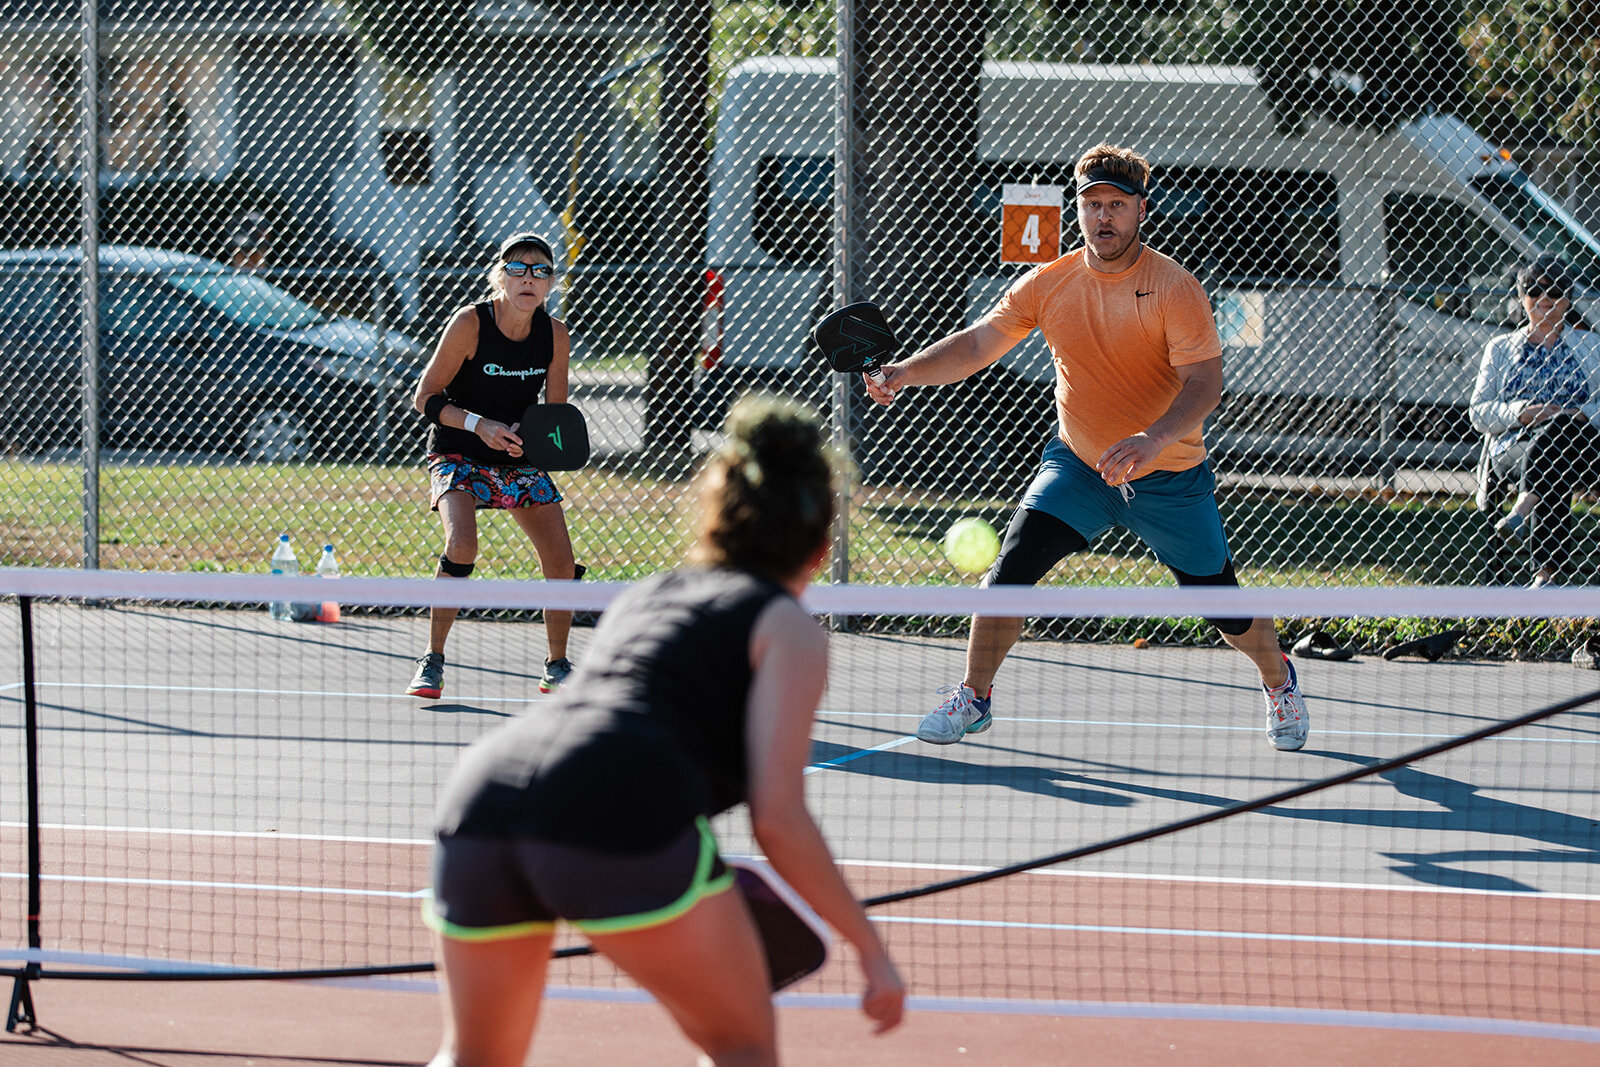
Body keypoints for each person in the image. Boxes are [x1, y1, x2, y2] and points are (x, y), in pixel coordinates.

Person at [423, 396, 904, 1067]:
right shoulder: (789, 628)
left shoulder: (649, 592)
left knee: (474, 1057)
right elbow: (779, 815)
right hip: (617, 811)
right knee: (741, 1047)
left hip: (482, 794)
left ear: (716, 516)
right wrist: (870, 946)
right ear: (823, 547)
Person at [864, 143, 1309, 752]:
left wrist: (1153, 440)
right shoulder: (1049, 284)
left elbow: (1206, 384)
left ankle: (1279, 678)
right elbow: (977, 345)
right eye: (1092, 204)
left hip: (1169, 475)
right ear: (1078, 210)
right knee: (1009, 575)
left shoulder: (1175, 288)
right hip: (1077, 466)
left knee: (1223, 607)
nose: (1104, 217)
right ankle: (975, 696)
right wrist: (904, 372)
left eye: (1117, 206)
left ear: (1141, 212)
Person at [409, 233, 579, 699]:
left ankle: (556, 666)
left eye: (541, 270)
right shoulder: (470, 322)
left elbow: (554, 417)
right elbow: (424, 397)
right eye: (519, 268)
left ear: (549, 284)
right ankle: (432, 660)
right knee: (462, 545)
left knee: (562, 564)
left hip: (513, 456)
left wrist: (534, 443)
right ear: (500, 276)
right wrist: (479, 425)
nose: (529, 278)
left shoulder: (555, 334)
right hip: (458, 450)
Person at [1470, 253, 1600, 587]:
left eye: (1555, 291)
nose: (1544, 298)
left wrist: (1578, 413)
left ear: (1569, 299)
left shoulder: (1591, 346)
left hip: (1581, 438)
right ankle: (1546, 575)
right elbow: (1479, 412)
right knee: (1554, 457)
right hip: (1515, 442)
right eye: (1533, 289)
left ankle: (1524, 511)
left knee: (1561, 431)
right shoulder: (1499, 348)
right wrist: (1520, 412)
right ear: (1520, 297)